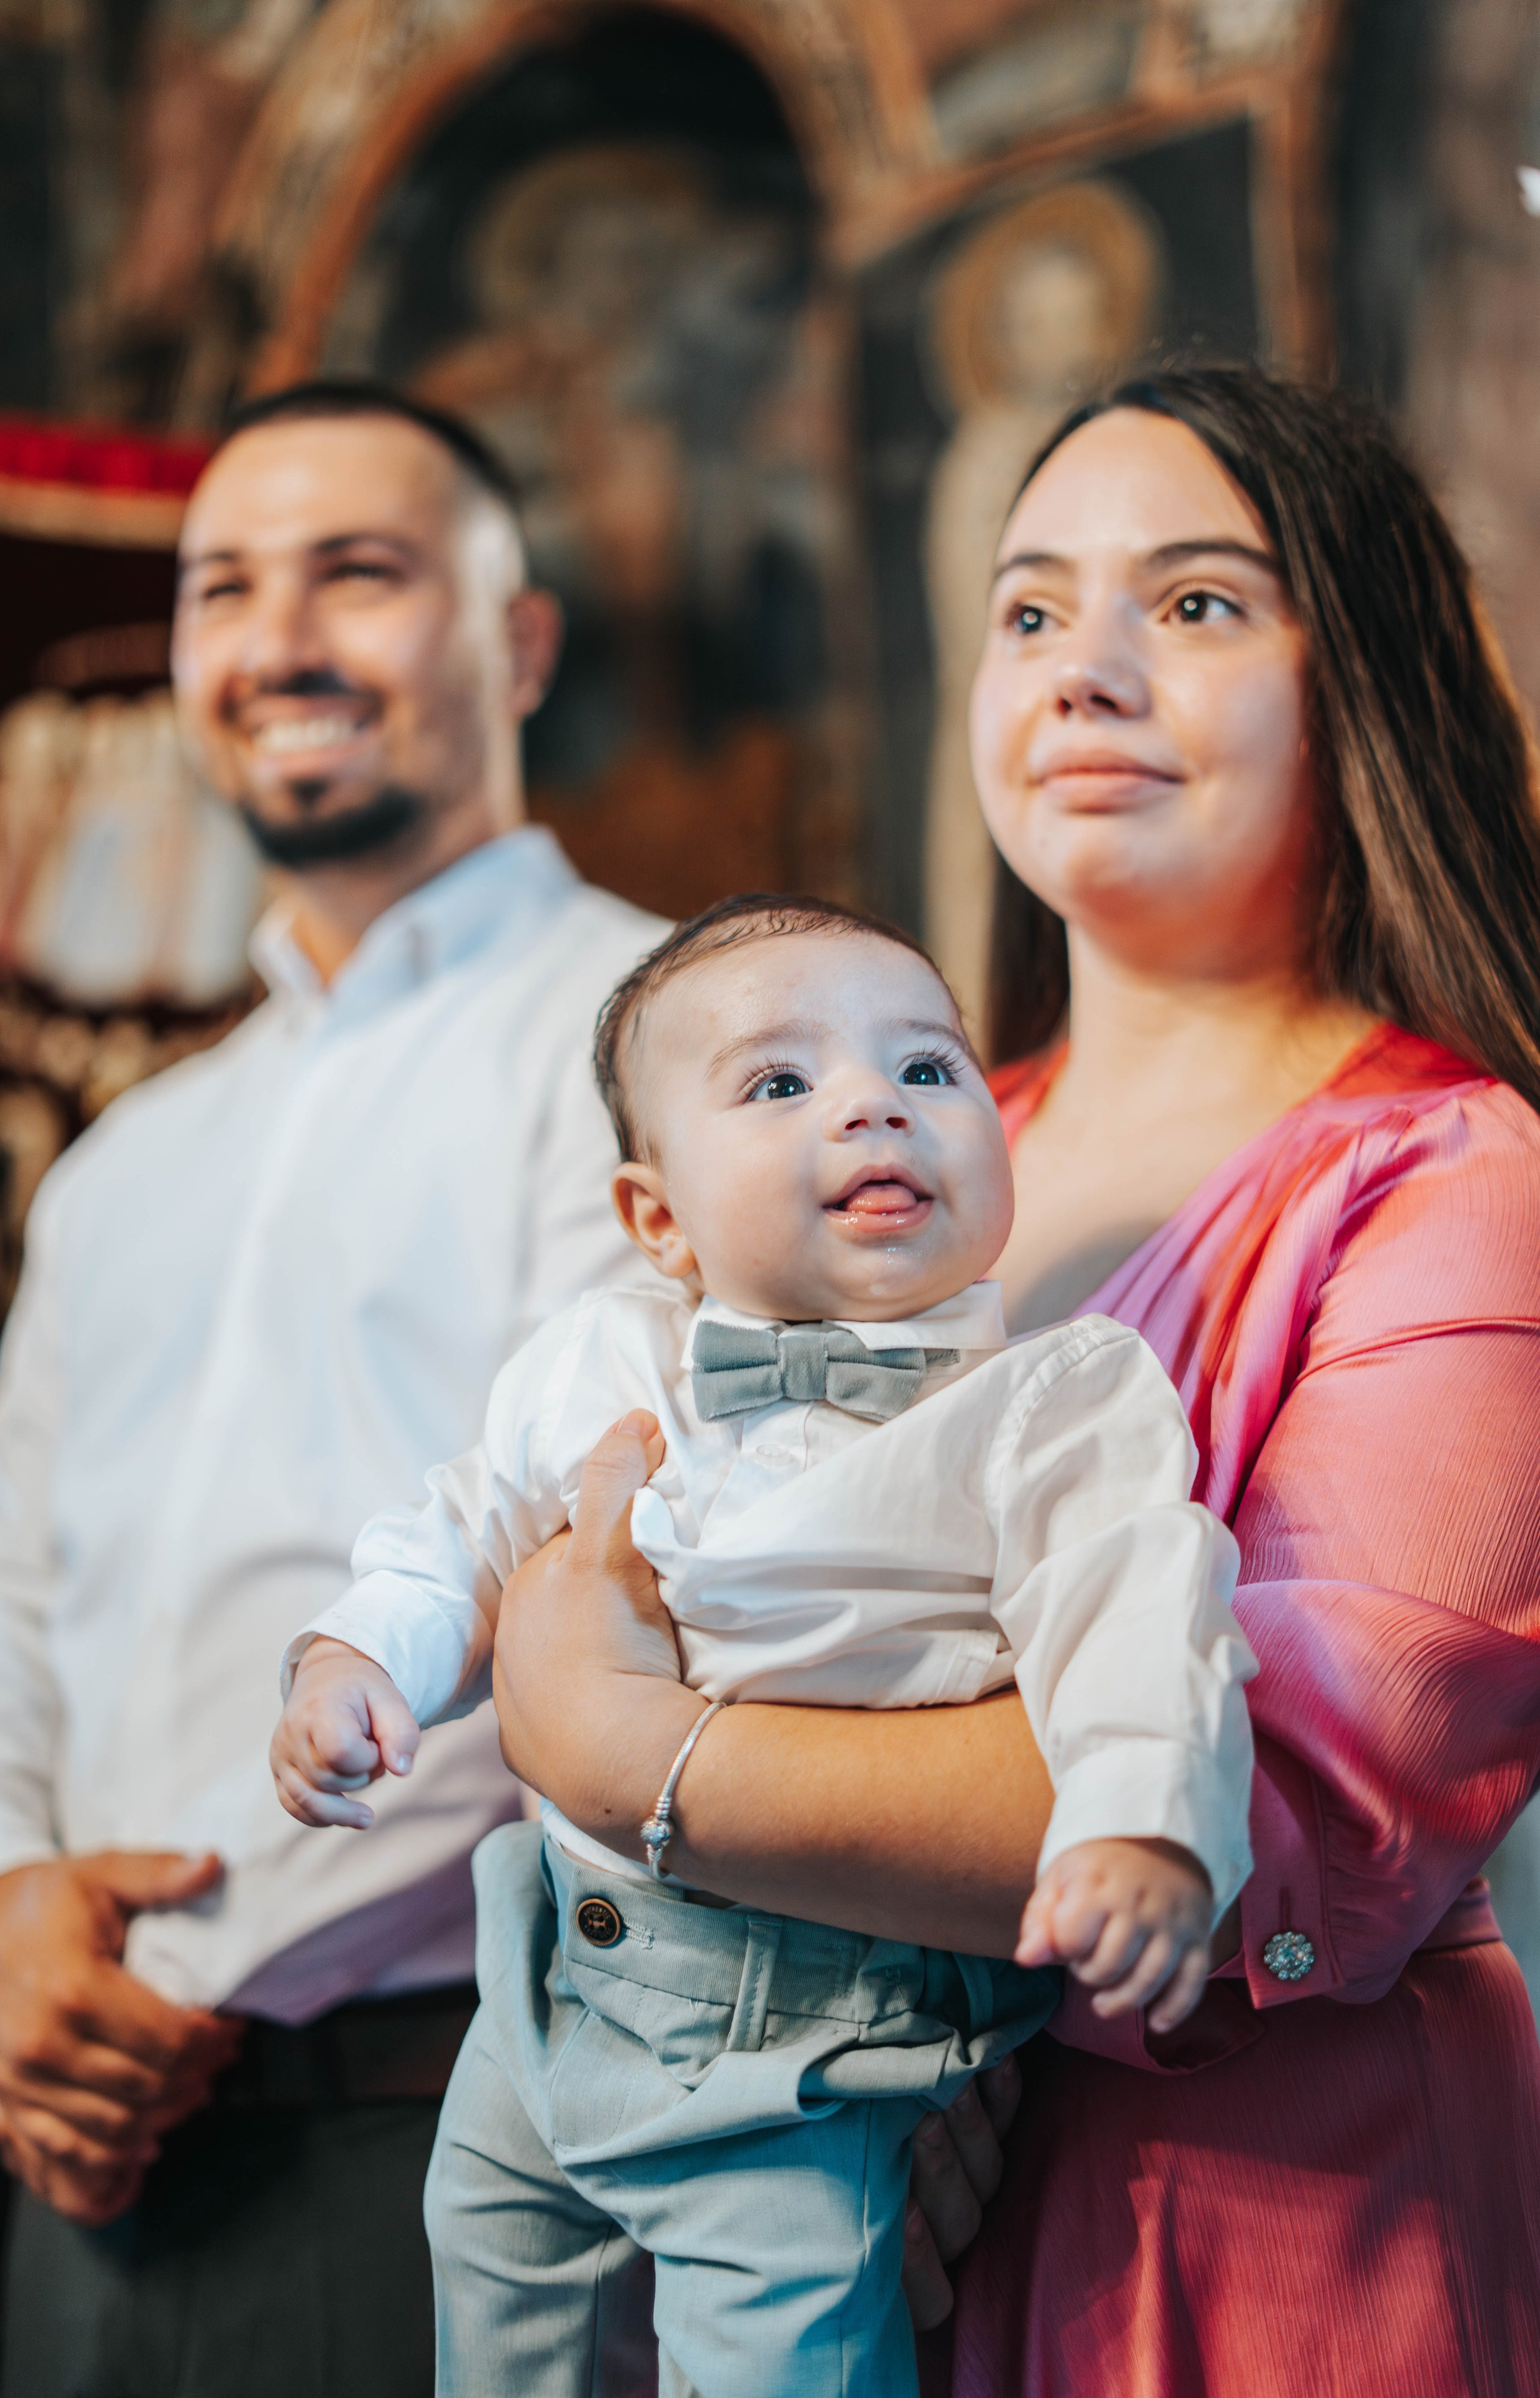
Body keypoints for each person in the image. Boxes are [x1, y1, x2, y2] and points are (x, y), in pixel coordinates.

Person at [475, 364, 1540, 2396]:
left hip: (1253, 2245)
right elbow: (620, 1515)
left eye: (1200, 604)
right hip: (829, 2181)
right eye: (1033, 610)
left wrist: (637, 1763)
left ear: (1370, 679)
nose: (1088, 670)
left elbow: (1300, 1803)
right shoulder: (890, 1166)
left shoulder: (1466, 1177)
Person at [270, 892, 1255, 2397]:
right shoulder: (598, 1357)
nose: (872, 1100)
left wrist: (1142, 1826)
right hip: (552, 1966)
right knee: (486, 2257)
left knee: (776, 2344)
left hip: (807, 2024)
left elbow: (1133, 1606)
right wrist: (357, 1661)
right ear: (655, 1219)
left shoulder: (1055, 1398)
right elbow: (463, 1535)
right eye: (781, 1084)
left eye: (927, 1070)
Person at [0, 380, 663, 2398]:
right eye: (223, 590)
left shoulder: (661, 1044)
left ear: (515, 642)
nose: (275, 646)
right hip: (78, 2167)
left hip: (446, 2134)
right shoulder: (121, 1162)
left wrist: (151, 1987)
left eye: (358, 574)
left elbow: (599, 1583)